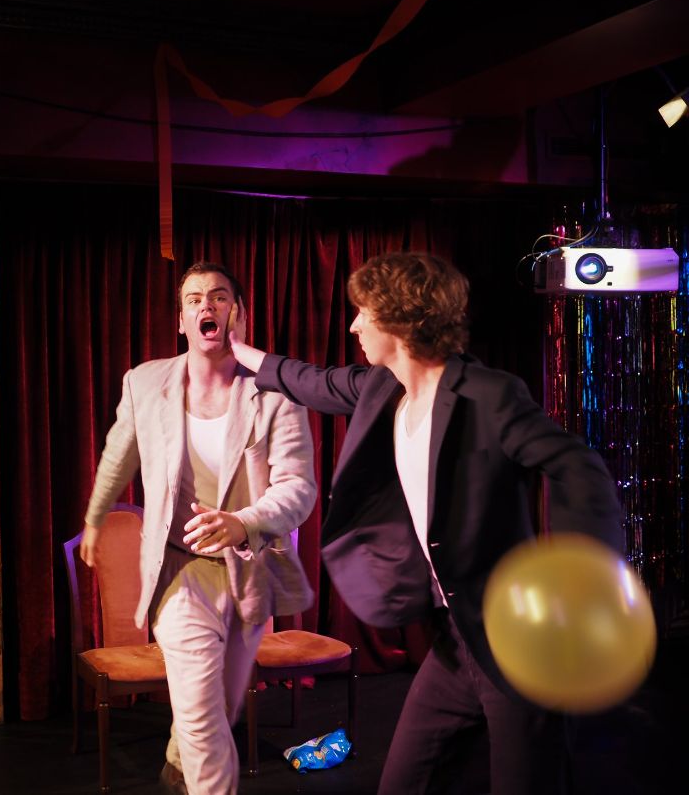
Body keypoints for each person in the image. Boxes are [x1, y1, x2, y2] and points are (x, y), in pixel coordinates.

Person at [228, 252, 623, 795]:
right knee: (403, 782)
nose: (354, 326)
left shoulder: (487, 394)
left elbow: (580, 469)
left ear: (398, 318)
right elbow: (313, 381)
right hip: (456, 642)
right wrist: (239, 351)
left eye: (363, 313)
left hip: (518, 642)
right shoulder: (383, 390)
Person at [81, 261, 317, 795]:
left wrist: (243, 522)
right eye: (194, 299)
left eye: (218, 296)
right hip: (178, 571)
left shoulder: (276, 394)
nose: (205, 305)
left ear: (239, 313)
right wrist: (96, 516)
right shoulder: (146, 383)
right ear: (182, 319)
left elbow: (299, 488)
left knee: (218, 710)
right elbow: (119, 454)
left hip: (246, 574)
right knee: (206, 726)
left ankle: (177, 764)